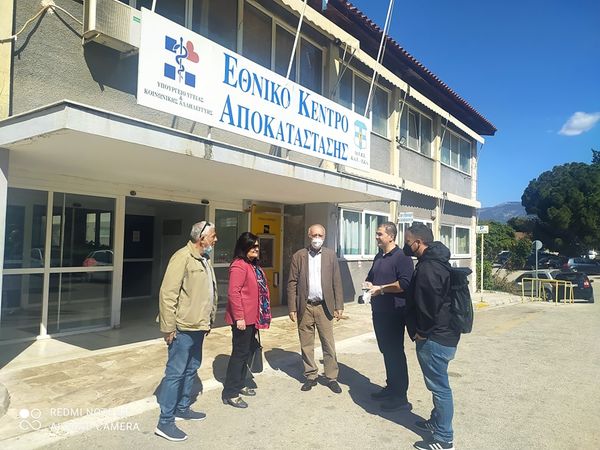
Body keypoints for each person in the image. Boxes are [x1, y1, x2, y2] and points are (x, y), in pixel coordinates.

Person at [155, 221, 218, 442]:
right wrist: (168, 327)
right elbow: (168, 293)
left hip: (198, 326)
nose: (215, 239)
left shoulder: (204, 259)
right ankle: (165, 422)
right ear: (201, 238)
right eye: (213, 235)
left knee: (192, 368)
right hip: (183, 328)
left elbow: (207, 292)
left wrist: (208, 320)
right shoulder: (182, 257)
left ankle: (182, 408)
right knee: (175, 373)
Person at [404, 223, 459, 450]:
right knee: (438, 384)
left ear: (418, 243)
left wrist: (421, 332)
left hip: (434, 337)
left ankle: (444, 439)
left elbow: (429, 305)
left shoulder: (428, 268)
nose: (406, 246)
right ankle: (436, 423)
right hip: (444, 334)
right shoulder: (437, 262)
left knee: (440, 387)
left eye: (408, 242)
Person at [287, 224, 344, 393]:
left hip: (324, 306)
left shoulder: (330, 256)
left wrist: (339, 305)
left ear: (324, 237)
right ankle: (311, 375)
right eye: (314, 235)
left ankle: (331, 377)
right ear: (309, 235)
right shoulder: (299, 256)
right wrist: (292, 307)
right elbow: (292, 283)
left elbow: (336, 281)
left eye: (320, 235)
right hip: (305, 306)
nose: (317, 238)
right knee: (306, 344)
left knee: (328, 343)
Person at [364, 221, 414, 411]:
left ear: (391, 236)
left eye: (380, 234)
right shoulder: (379, 256)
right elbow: (372, 277)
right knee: (386, 351)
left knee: (395, 353)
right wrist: (368, 284)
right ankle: (391, 387)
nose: (376, 237)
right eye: (376, 234)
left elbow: (405, 283)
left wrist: (382, 289)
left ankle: (400, 397)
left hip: (395, 313)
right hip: (379, 311)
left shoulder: (402, 257)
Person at [222, 232, 271, 408]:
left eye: (258, 246)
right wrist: (239, 317)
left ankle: (240, 383)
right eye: (253, 246)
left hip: (253, 317)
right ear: (244, 247)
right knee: (239, 354)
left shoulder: (252, 265)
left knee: (247, 353)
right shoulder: (239, 266)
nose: (257, 249)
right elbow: (233, 293)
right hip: (242, 319)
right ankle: (230, 393)